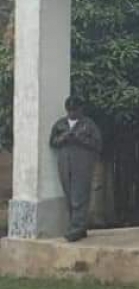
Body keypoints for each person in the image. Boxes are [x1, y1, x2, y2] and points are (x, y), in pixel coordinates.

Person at [48, 96, 103, 242]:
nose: (72, 113)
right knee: (69, 195)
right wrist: (64, 137)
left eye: (75, 110)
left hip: (82, 163)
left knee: (79, 196)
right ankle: (80, 227)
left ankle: (76, 229)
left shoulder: (88, 124)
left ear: (81, 109)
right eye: (70, 110)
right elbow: (53, 142)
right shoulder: (60, 124)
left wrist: (80, 138)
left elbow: (97, 143)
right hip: (65, 163)